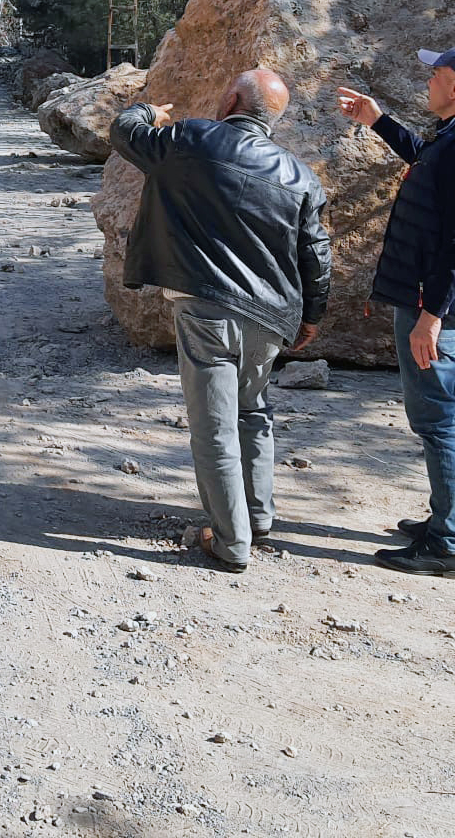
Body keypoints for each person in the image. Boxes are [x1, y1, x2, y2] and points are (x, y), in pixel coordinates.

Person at [109, 69, 332, 574]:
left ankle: (231, 543)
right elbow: (316, 253)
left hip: (207, 307)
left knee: (213, 426)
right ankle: (258, 518)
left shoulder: (190, 139)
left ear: (231, 98)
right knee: (253, 412)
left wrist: (150, 112)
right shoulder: (299, 175)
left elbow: (124, 132)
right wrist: (312, 315)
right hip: (272, 315)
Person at [335, 43, 455, 579]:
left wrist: (430, 315)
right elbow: (431, 166)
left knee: (436, 421)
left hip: (440, 306)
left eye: (435, 74)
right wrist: (378, 122)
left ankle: (446, 545)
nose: (429, 81)